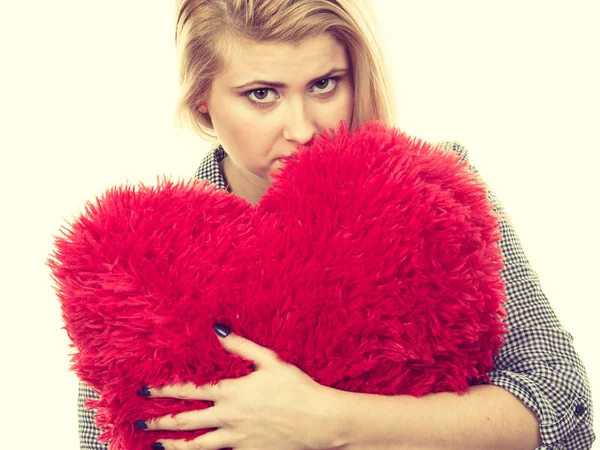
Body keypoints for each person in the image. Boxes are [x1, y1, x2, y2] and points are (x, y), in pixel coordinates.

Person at [78, 0, 595, 449]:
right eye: (262, 94)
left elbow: (563, 401)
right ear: (203, 106)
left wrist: (328, 421)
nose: (303, 129)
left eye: (325, 84)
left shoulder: (433, 194)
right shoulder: (137, 260)